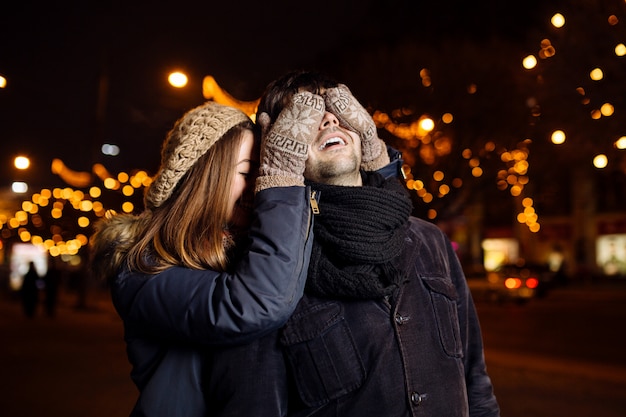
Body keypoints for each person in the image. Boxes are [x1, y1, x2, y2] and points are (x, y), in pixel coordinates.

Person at [208, 70, 500, 417]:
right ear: (277, 142)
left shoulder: (429, 240)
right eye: (306, 115)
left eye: (337, 108)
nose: (329, 118)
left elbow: (475, 379)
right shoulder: (268, 268)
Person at [89, 101, 319, 417]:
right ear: (203, 177)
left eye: (262, 171)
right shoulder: (141, 267)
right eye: (246, 171)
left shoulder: (249, 252)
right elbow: (254, 303)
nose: (259, 186)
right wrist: (285, 181)